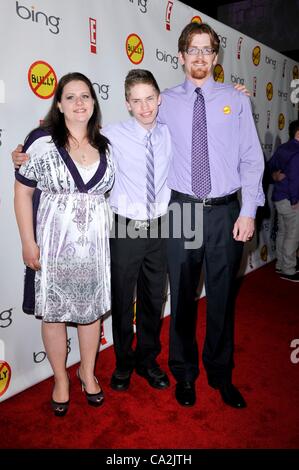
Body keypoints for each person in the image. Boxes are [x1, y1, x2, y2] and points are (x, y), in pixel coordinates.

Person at [158, 22, 265, 408]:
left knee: (221, 298)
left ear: (216, 58)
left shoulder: (235, 100)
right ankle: (184, 374)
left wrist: (249, 210)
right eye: (193, 49)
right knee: (184, 297)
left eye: (207, 49)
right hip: (183, 208)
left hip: (224, 213)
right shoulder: (164, 100)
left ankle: (221, 375)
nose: (200, 56)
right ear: (182, 56)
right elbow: (134, 137)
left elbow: (252, 158)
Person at [14, 72, 115, 416]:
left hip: (94, 251)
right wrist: (28, 242)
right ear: (58, 104)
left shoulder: (105, 144)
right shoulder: (40, 142)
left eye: (85, 96)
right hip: (53, 248)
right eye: (70, 97)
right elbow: (23, 193)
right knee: (54, 316)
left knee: (90, 317)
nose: (79, 103)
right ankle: (61, 379)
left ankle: (87, 373)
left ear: (93, 102)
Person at [104, 69, 171, 391]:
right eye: (136, 101)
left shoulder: (171, 134)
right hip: (126, 226)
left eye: (149, 99)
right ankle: (123, 363)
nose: (144, 107)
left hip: (159, 226)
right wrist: (27, 150)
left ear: (159, 99)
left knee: (152, 298)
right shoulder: (111, 134)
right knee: (121, 298)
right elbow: (68, 138)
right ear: (127, 104)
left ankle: (148, 360)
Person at [268, 119, 299, 281]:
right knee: (292, 234)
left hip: (279, 198)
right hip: (291, 199)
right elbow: (296, 179)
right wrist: (295, 200)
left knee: (283, 232)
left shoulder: (283, 148)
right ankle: (288, 269)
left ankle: (281, 264)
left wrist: (274, 176)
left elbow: (270, 167)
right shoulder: (297, 151)